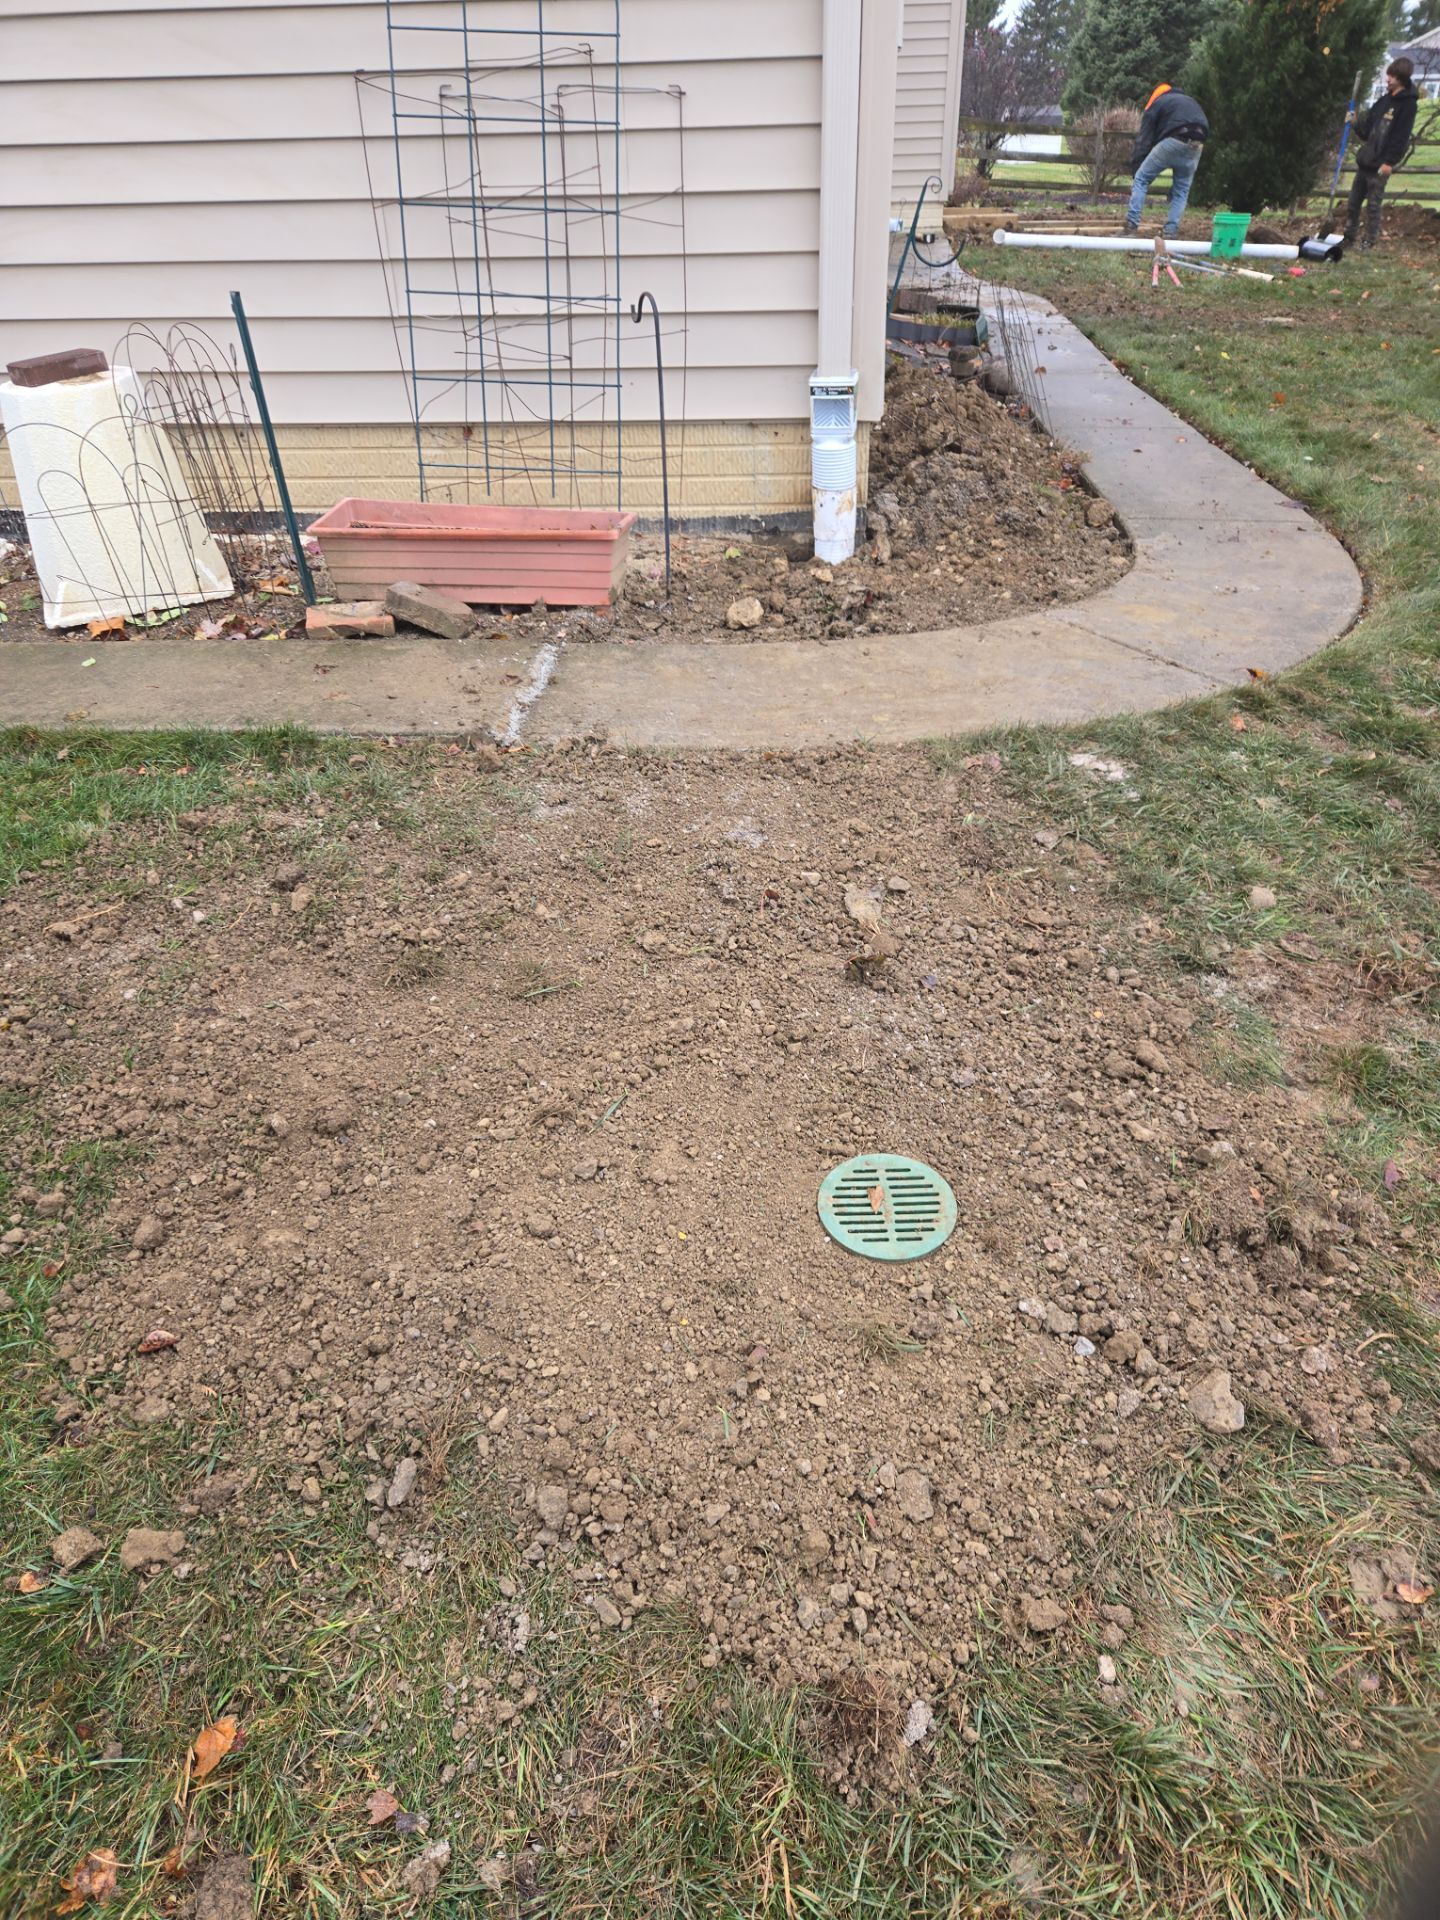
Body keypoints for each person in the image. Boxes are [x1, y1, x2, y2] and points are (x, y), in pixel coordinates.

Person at [1344, 57, 1419, 252]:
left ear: (1402, 78)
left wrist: (1389, 162)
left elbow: (1401, 137)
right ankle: (1348, 237)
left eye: (1392, 76)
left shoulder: (1408, 105)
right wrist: (1354, 123)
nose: (1388, 79)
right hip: (1366, 161)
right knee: (1353, 203)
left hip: (1380, 166)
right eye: (1388, 75)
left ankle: (1369, 241)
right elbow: (1367, 129)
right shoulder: (1384, 100)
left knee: (1373, 206)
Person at [1124, 84, 1210, 238]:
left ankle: (1131, 225)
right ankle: (1171, 231)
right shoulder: (1187, 101)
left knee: (1141, 179)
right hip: (1198, 142)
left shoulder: (1158, 103)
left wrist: (1137, 168)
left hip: (1174, 138)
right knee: (1182, 190)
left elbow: (1144, 139)